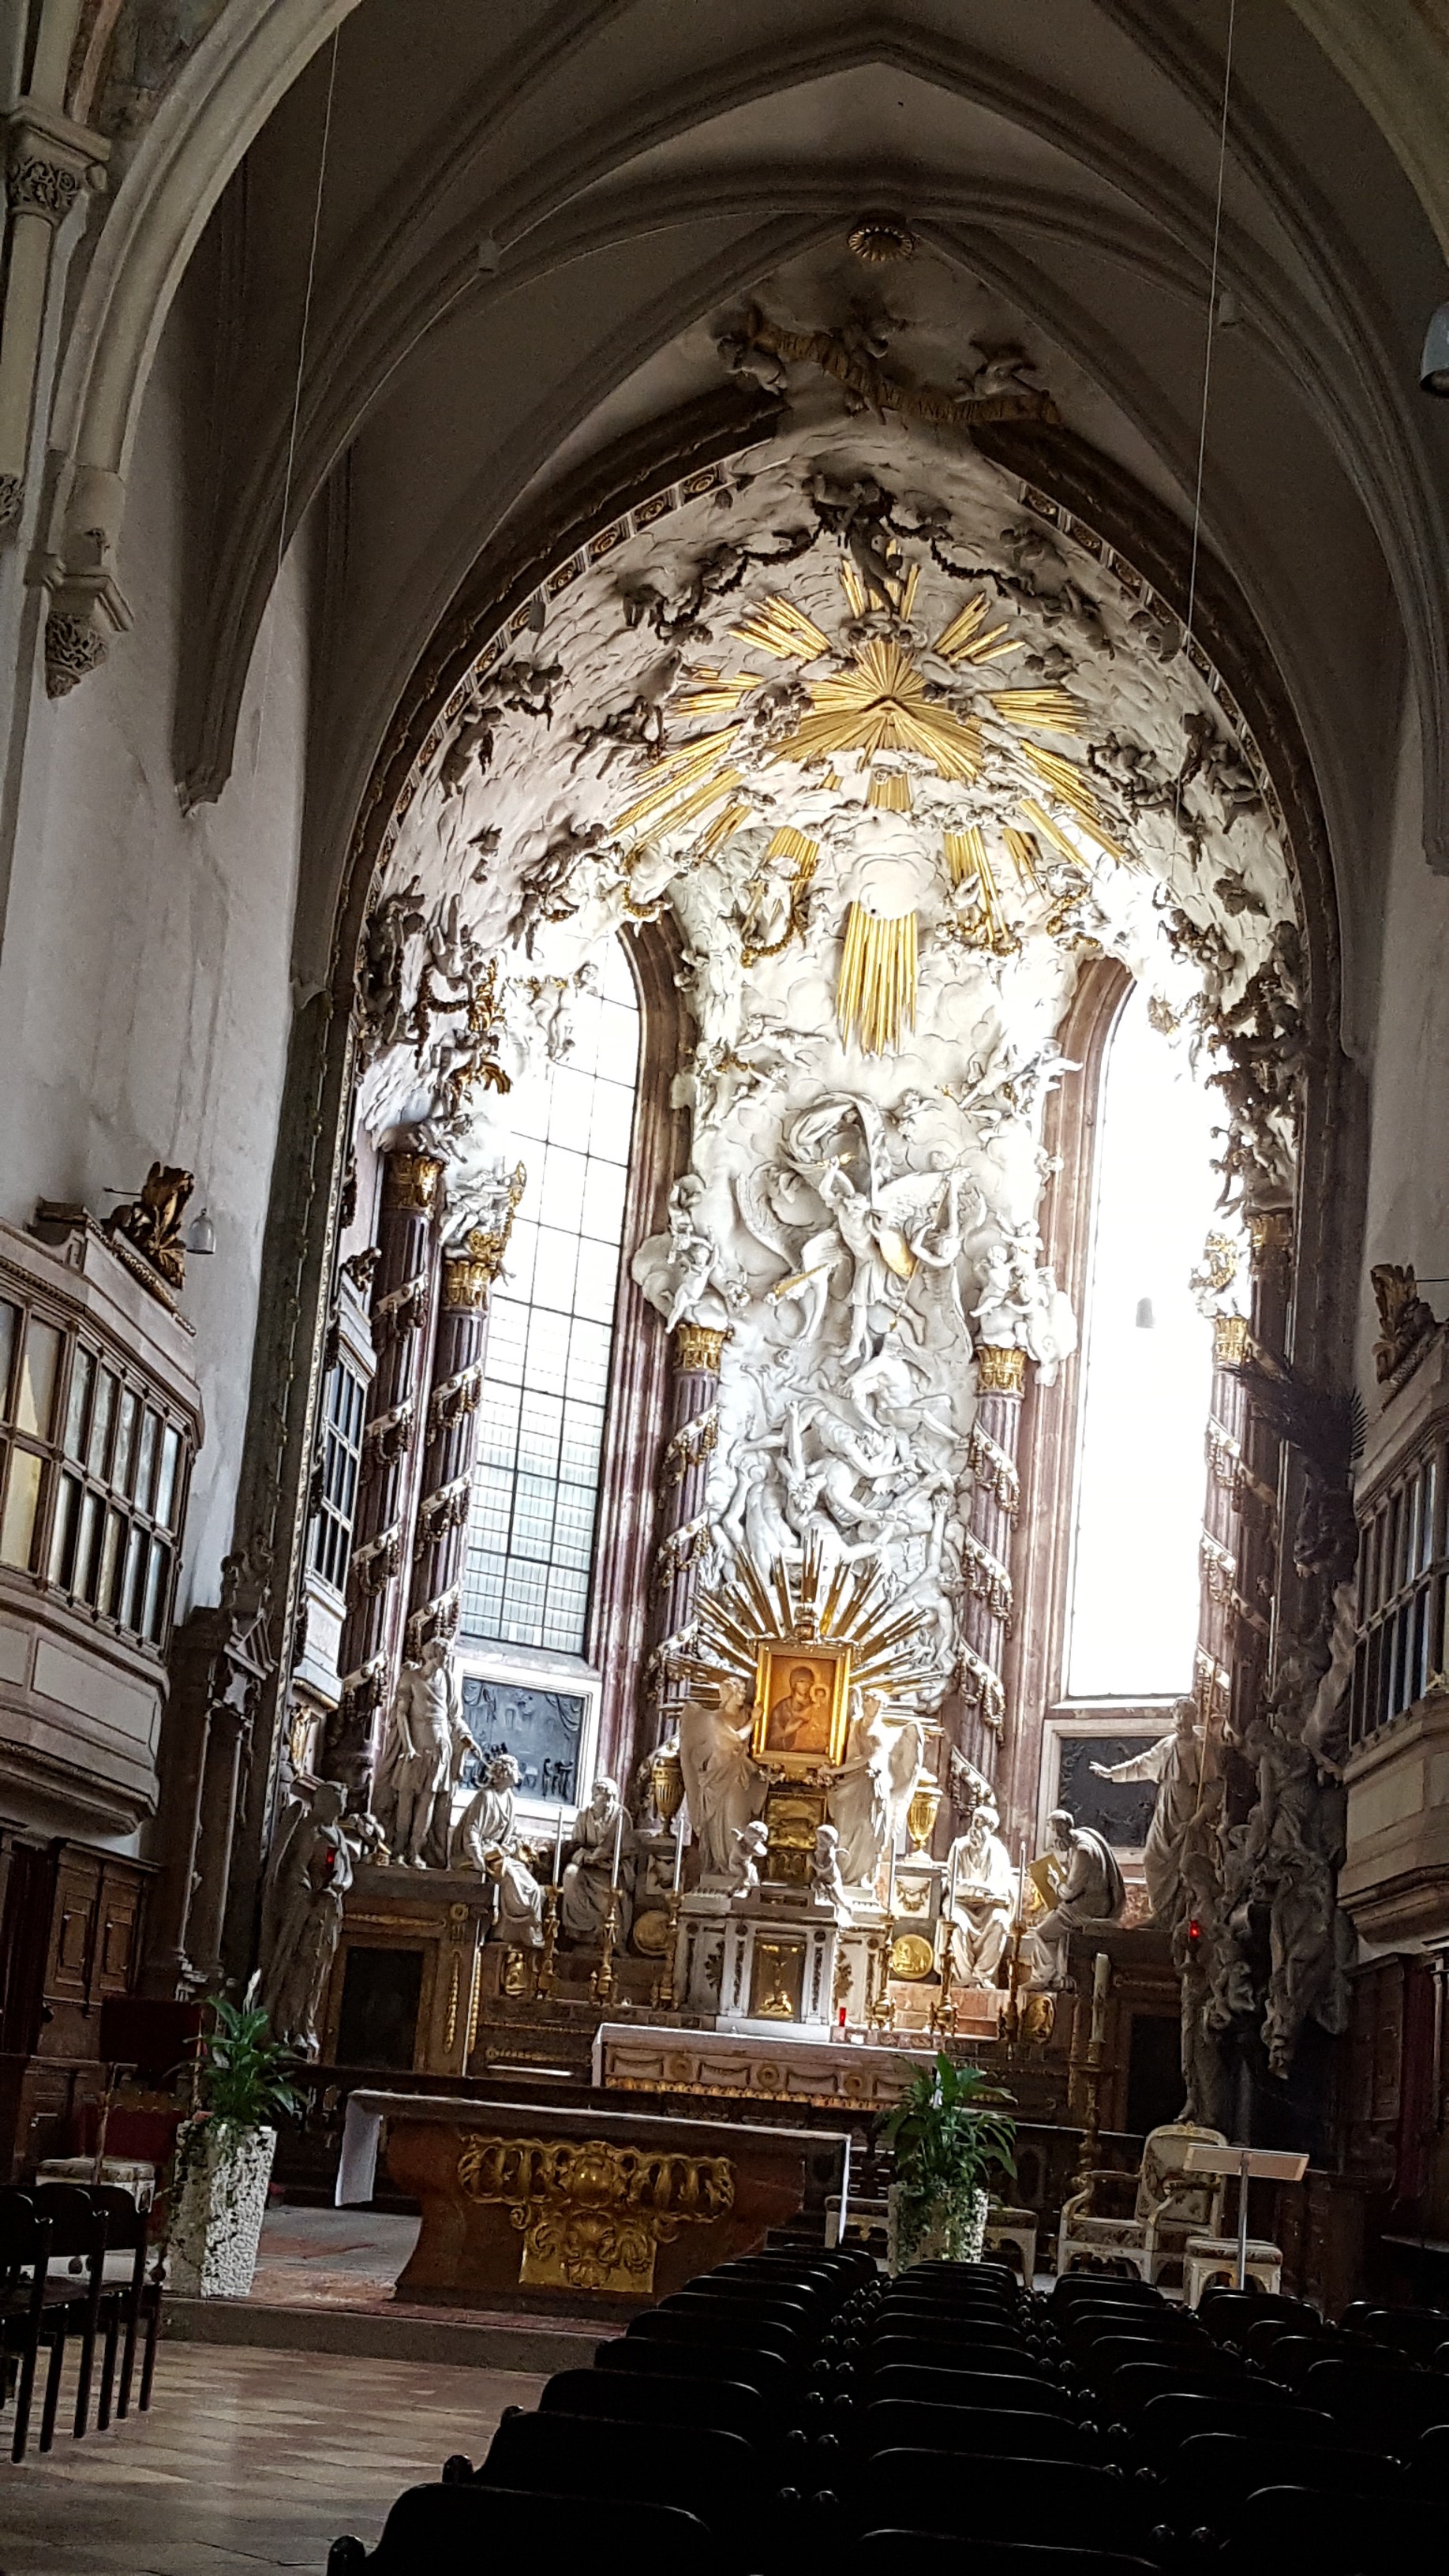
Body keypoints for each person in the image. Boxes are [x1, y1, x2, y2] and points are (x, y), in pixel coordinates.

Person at [1028, 1807, 1125, 1989]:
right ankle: (1060, 1977)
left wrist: (1056, 1883)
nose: (1054, 1843)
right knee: (1054, 1920)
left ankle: (1043, 1978)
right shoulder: (1083, 1837)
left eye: (1054, 1836)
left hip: (1091, 1907)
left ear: (1063, 1830)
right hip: (1088, 1901)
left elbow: (1069, 1892)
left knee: (1043, 1932)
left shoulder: (1082, 1851)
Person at [768, 1661, 832, 1754]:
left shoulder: (816, 1707)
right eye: (802, 1681)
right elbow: (774, 1739)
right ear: (794, 1683)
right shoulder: (782, 1708)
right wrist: (792, 1728)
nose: (806, 1685)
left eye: (809, 1682)